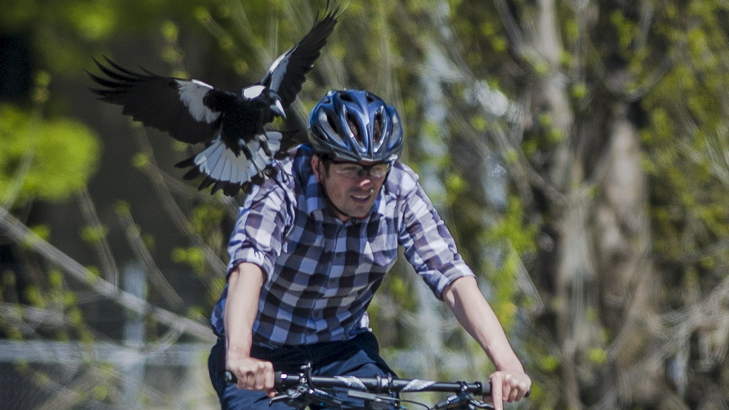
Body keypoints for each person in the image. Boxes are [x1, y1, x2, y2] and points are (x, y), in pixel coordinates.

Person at [207, 89, 531, 409]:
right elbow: (248, 267)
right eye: (352, 169)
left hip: (342, 351)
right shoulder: (280, 187)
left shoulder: (399, 190)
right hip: (260, 349)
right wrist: (239, 354)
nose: (367, 183)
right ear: (319, 166)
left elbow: (451, 275)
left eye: (377, 168)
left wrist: (508, 364)